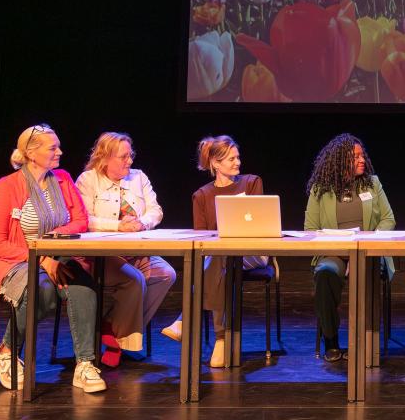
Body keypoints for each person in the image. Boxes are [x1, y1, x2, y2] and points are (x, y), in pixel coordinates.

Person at [0, 124, 106, 393]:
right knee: (42, 290)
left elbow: (80, 220)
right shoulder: (7, 186)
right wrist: (40, 256)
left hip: (56, 255)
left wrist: (55, 238)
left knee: (83, 287)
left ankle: (84, 365)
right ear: (31, 153)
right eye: (52, 147)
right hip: (12, 258)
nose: (60, 151)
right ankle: (6, 351)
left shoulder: (63, 179)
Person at [160, 136, 267, 367]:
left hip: (253, 252)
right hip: (221, 257)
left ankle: (193, 325)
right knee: (220, 258)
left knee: (219, 258)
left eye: (238, 157)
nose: (238, 162)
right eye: (231, 158)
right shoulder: (202, 195)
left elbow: (260, 222)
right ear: (215, 164)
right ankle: (222, 340)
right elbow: (202, 238)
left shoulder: (251, 183)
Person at [75, 132, 177, 367]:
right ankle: (119, 341)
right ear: (105, 158)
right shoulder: (88, 180)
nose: (129, 161)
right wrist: (118, 226)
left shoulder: (139, 177)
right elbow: (84, 219)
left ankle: (112, 327)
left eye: (130, 155)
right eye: (123, 157)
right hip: (105, 255)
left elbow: (156, 209)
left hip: (138, 250)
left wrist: (143, 222)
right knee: (135, 280)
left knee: (166, 274)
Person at [304, 133, 396, 361]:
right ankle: (331, 340)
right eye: (355, 157)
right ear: (339, 160)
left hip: (367, 252)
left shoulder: (372, 184)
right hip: (333, 252)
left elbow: (388, 219)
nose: (362, 159)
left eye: (362, 155)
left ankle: (366, 341)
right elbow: (310, 229)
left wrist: (367, 243)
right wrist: (340, 249)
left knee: (366, 272)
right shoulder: (320, 190)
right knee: (325, 273)